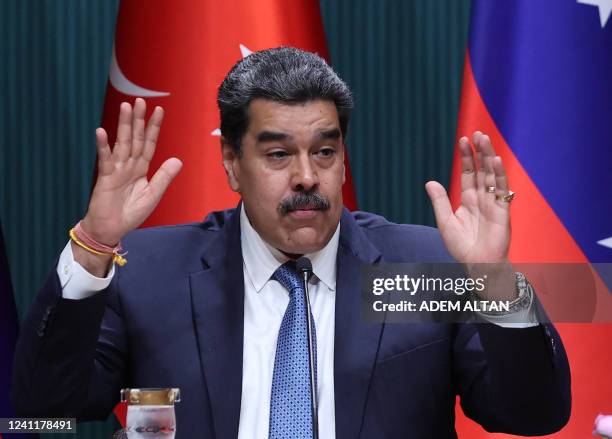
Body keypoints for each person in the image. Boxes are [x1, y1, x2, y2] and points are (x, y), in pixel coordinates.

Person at [11, 47, 570, 438]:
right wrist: (92, 244)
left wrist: (494, 282)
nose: (307, 176)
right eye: (278, 154)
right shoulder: (151, 273)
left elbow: (533, 415)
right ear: (232, 163)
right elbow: (44, 409)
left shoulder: (417, 270)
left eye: (324, 152)